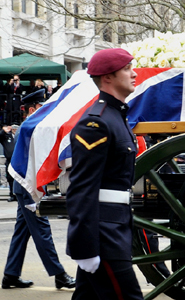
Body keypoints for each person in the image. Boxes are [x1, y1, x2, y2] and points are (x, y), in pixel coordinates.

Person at [65, 48, 144, 299]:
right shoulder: (96, 123)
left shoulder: (115, 116)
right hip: (103, 234)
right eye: (127, 69)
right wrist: (85, 247)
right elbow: (82, 188)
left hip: (113, 227)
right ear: (108, 77)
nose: (134, 73)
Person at [2, 89, 75, 290]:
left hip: (26, 186)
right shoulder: (29, 127)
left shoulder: (30, 126)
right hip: (28, 187)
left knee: (21, 232)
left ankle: (10, 275)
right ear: (33, 108)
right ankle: (60, 275)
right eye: (41, 107)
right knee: (42, 230)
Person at [0, 124, 17, 202]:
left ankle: (18, 194)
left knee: (18, 177)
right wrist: (3, 131)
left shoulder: (19, 136)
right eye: (13, 128)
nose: (14, 130)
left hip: (18, 160)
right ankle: (12, 194)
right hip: (9, 160)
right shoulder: (6, 136)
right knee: (10, 178)